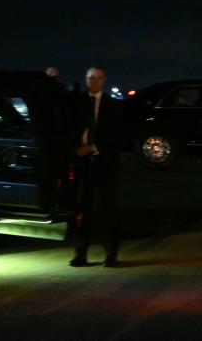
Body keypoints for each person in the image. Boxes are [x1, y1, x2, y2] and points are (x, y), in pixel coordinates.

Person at [70, 66, 122, 267]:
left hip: (105, 164)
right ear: (86, 79)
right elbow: (69, 128)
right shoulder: (76, 103)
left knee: (109, 210)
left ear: (104, 80)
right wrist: (76, 148)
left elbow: (116, 135)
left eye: (98, 78)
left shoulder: (112, 105)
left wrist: (93, 147)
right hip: (82, 164)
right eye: (91, 77)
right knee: (82, 210)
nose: (94, 81)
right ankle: (81, 252)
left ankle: (111, 253)